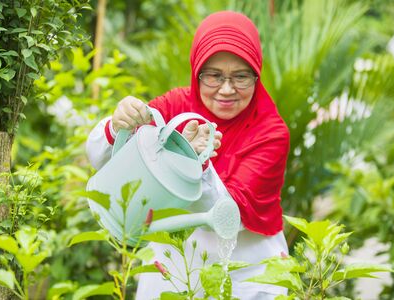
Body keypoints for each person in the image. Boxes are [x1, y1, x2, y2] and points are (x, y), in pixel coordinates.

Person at [86, 11, 290, 299]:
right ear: (197, 72)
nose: (227, 89)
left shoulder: (270, 132)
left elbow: (229, 219)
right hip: (172, 269)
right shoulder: (175, 106)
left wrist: (194, 163)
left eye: (241, 76)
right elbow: (102, 159)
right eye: (214, 76)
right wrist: (117, 124)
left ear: (257, 74)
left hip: (249, 276)